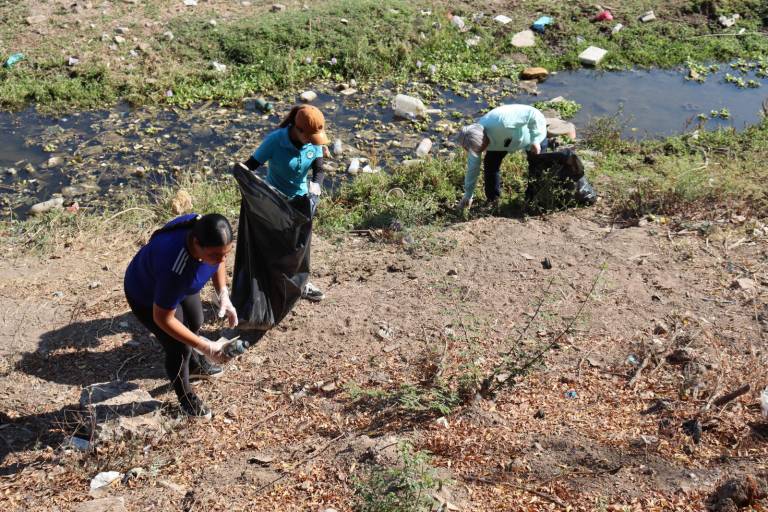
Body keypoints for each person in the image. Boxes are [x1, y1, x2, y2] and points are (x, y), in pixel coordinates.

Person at [124, 213, 239, 417]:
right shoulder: (175, 267)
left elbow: (218, 260)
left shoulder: (202, 230)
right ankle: (186, 398)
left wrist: (223, 292)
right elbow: (162, 318)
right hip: (146, 293)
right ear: (196, 244)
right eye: (214, 255)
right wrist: (205, 346)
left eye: (226, 254)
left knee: (195, 320)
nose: (221, 261)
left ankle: (194, 366)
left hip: (181, 285)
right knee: (179, 347)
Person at [236, 104, 329, 302]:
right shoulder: (276, 140)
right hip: (276, 202)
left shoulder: (314, 141)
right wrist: (245, 182)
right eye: (309, 138)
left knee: (300, 248)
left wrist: (315, 189)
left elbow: (319, 171)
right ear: (298, 129)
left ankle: (301, 284)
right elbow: (250, 166)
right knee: (277, 247)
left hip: (302, 201)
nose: (313, 142)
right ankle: (271, 285)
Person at [456, 104, 548, 209]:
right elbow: (473, 169)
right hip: (503, 142)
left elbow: (533, 114)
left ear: (484, 137)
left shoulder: (502, 122)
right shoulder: (474, 141)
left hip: (531, 135)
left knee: (537, 168)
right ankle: (493, 200)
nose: (481, 151)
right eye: (478, 150)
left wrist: (535, 139)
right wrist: (468, 195)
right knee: (490, 165)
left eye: (481, 148)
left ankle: (533, 201)